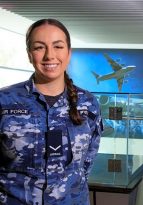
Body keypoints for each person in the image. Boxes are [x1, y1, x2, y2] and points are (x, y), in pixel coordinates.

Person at [0, 19, 103, 205]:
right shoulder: (4, 101)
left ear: (69, 52)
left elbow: (86, 163)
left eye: (58, 46)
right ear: (29, 54)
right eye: (39, 47)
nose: (50, 55)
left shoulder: (88, 104)